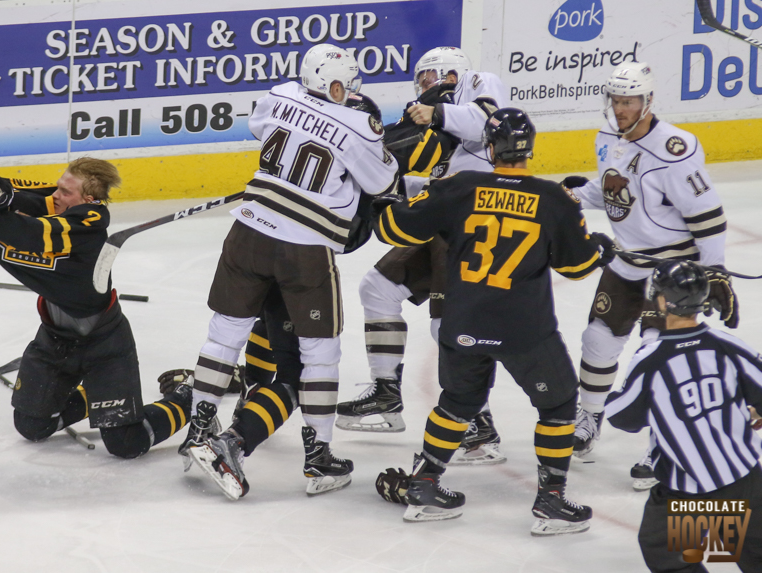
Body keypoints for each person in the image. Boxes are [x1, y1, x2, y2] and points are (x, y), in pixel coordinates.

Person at [373, 107, 612, 535]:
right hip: (525, 330)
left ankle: (426, 484)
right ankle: (551, 501)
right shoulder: (554, 198)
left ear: (489, 147)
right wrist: (598, 247)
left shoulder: (460, 187)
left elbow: (394, 228)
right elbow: (576, 268)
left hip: (463, 321)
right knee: (557, 406)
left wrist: (387, 201)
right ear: (530, 149)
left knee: (457, 402)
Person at [181, 43, 400, 500]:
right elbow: (382, 183)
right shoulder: (359, 123)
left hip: (249, 231)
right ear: (336, 85)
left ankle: (198, 431)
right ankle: (318, 458)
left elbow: (264, 129)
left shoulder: (278, 95)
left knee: (224, 335)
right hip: (305, 247)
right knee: (320, 353)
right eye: (347, 84)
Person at [0, 158, 194, 459]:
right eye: (59, 187)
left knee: (126, 443)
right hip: (55, 340)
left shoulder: (88, 226)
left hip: (104, 344)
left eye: (66, 192)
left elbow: (29, 234)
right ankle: (94, 393)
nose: (56, 195)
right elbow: (19, 193)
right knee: (31, 426)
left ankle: (188, 397)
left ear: (88, 200)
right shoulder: (59, 201)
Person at [561, 62, 735, 490]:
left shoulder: (675, 149)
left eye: (629, 101)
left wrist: (714, 272)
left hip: (673, 268)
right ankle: (589, 421)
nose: (620, 109)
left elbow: (707, 216)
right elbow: (614, 193)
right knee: (597, 340)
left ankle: (665, 445)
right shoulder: (607, 137)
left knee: (661, 355)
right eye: (616, 100)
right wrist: (570, 197)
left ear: (648, 101)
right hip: (627, 261)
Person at [336, 46, 509, 466]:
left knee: (445, 326)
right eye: (420, 83)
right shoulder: (446, 141)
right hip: (445, 221)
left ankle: (478, 426)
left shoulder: (480, 84)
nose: (422, 90)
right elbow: (432, 180)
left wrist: (436, 113)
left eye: (428, 79)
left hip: (475, 227)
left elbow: (487, 120)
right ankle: (386, 395)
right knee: (377, 287)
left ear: (453, 75)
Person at [605, 260, 762, 572]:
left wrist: (612, 397)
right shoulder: (728, 345)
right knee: (754, 553)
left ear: (663, 301)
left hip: (690, 494)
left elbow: (623, 417)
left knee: (670, 557)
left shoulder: (651, 360)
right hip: (745, 481)